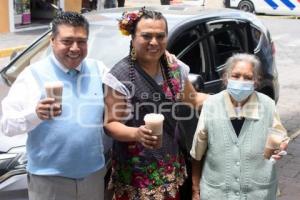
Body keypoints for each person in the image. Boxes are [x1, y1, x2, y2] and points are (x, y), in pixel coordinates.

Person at [103, 8, 208, 200]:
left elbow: (193, 99)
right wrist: (136, 133)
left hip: (170, 168)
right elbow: (110, 124)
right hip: (134, 175)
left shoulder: (175, 69)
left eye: (160, 36)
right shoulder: (119, 76)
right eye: (146, 36)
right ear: (133, 38)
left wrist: (226, 100)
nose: (154, 42)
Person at [1, 11, 107, 200]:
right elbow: (7, 126)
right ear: (52, 41)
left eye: (81, 41)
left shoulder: (98, 70)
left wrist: (162, 59)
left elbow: (125, 88)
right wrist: (35, 114)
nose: (75, 48)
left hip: (93, 177)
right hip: (49, 181)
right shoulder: (32, 75)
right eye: (67, 41)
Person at [190, 53, 289, 200]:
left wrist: (281, 147)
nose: (241, 81)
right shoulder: (212, 105)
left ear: (256, 81)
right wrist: (195, 189)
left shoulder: (267, 105)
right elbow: (197, 152)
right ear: (226, 77)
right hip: (217, 193)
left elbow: (281, 137)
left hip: (259, 193)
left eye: (248, 77)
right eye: (236, 76)